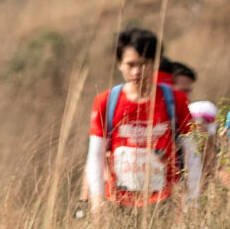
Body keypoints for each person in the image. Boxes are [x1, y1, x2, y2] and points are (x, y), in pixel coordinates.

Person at [84, 27, 200, 214]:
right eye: (131, 65)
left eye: (144, 64)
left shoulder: (176, 101)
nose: (137, 71)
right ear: (120, 64)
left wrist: (192, 199)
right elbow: (95, 155)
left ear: (156, 63)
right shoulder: (106, 102)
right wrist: (97, 199)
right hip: (118, 203)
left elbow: (192, 154)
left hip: (166, 202)